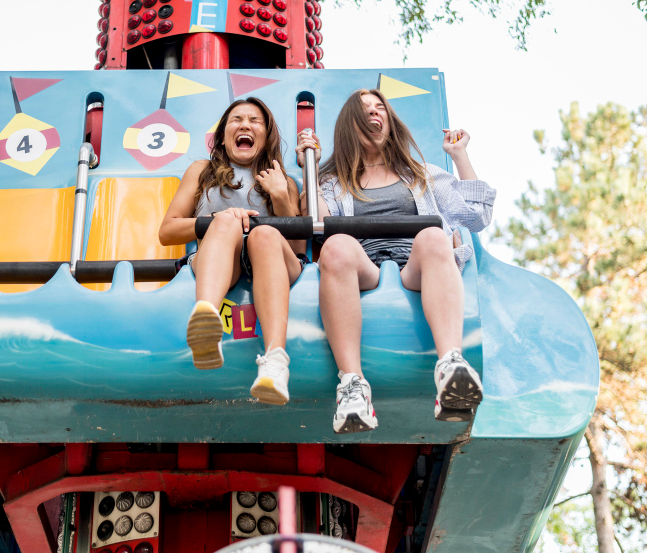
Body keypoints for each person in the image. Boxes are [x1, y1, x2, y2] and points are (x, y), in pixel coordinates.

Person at [296, 89, 495, 433]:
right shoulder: (332, 181)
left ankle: (450, 367)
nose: (375, 114)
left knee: (434, 234)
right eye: (365, 110)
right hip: (366, 268)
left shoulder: (422, 173)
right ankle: (352, 386)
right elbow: (316, 222)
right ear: (350, 124)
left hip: (415, 266)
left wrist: (459, 156)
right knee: (336, 244)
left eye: (380, 109)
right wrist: (310, 169)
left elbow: (476, 217)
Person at [159, 98, 305, 405]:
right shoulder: (202, 171)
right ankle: (206, 322)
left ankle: (275, 362)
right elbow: (167, 231)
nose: (245, 125)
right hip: (220, 256)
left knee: (264, 234)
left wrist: (280, 196)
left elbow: (298, 248)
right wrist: (215, 220)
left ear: (267, 136)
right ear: (224, 137)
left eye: (255, 120)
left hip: (271, 259)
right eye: (236, 119)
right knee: (225, 223)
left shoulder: (284, 181)